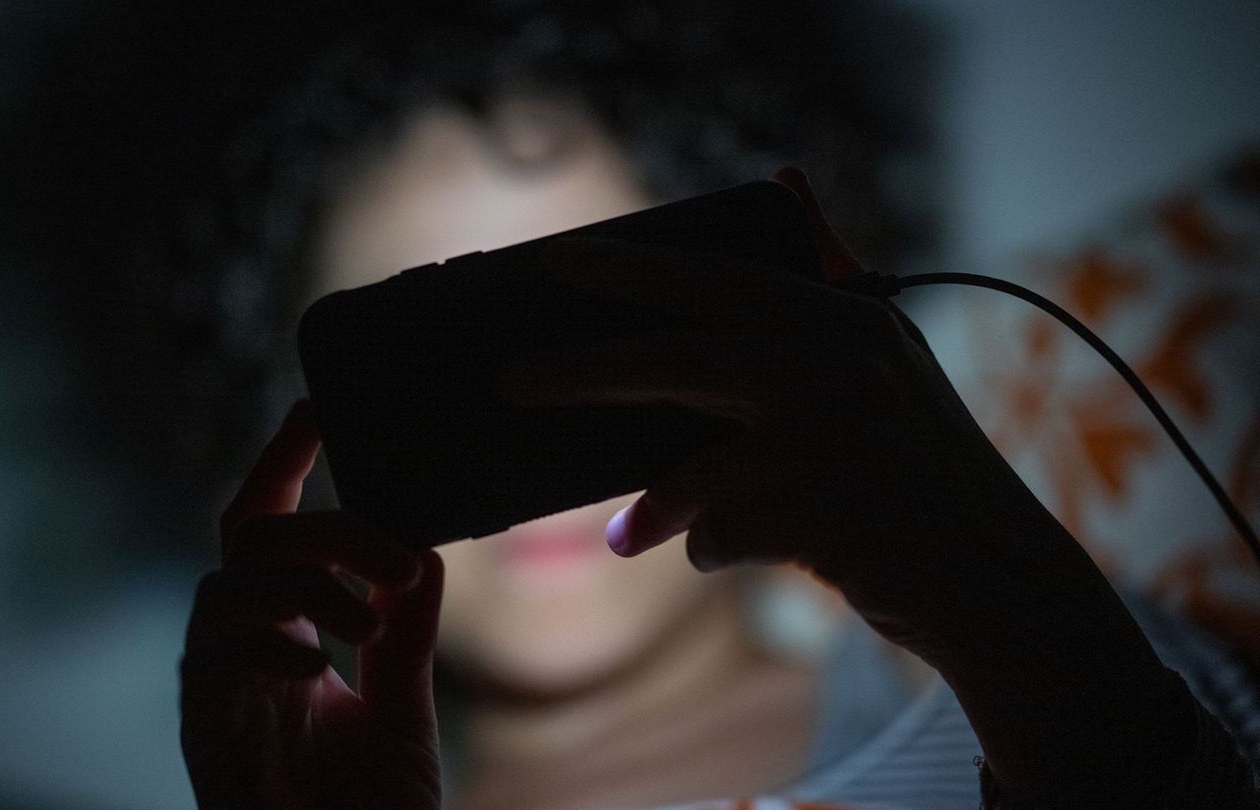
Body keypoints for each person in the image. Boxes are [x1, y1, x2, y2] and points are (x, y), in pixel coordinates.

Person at [167, 5, 1260, 809]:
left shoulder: (1038, 653)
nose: (535, 403)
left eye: (587, 334)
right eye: (443, 364)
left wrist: (1031, 648)